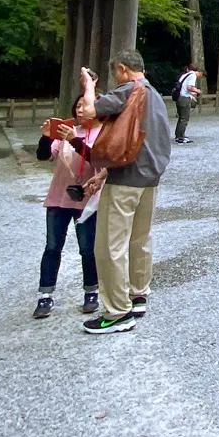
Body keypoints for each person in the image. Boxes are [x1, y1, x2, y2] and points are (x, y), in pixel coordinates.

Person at [77, 49, 172, 335]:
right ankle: (138, 294)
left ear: (122, 69)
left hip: (126, 180)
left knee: (109, 245)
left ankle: (117, 312)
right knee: (140, 239)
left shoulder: (129, 90)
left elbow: (89, 112)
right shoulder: (155, 95)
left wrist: (89, 86)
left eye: (115, 73)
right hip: (150, 178)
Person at [32, 98, 100, 319]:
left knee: (87, 248)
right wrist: (45, 136)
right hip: (59, 197)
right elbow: (44, 155)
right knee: (52, 247)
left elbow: (100, 161)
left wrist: (75, 140)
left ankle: (91, 291)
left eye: (86, 104)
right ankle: (45, 295)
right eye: (78, 105)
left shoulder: (104, 132)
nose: (81, 109)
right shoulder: (66, 130)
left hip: (87, 199)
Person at [172, 64, 200, 145]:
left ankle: (178, 135)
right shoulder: (192, 75)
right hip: (184, 98)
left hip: (179, 97)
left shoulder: (184, 75)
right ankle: (181, 137)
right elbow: (189, 88)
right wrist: (197, 91)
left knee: (181, 117)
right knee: (184, 119)